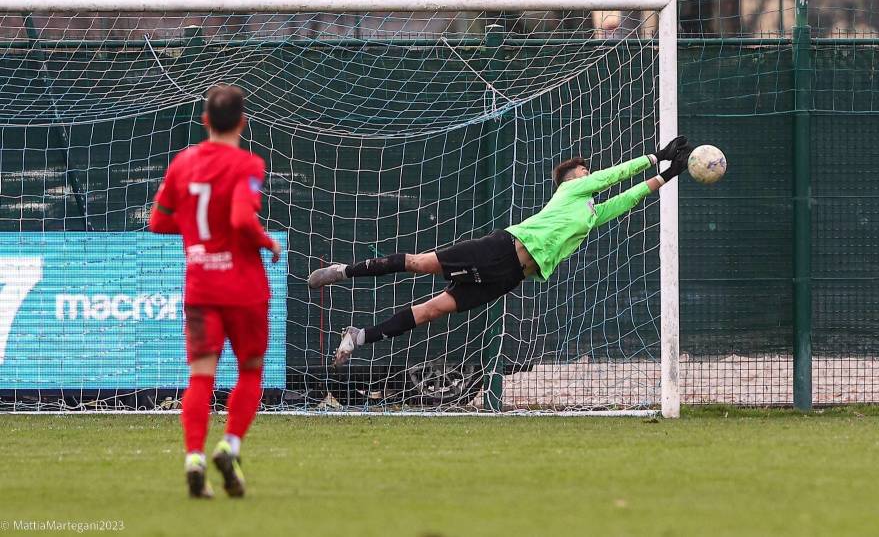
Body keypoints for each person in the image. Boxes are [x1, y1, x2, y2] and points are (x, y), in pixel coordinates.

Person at [308, 136, 693, 368]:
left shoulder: (590, 212)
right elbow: (612, 178)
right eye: (581, 171)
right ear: (569, 178)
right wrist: (654, 157)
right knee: (419, 263)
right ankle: (345, 271)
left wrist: (668, 174)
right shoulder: (569, 191)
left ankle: (357, 337)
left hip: (511, 275)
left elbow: (626, 198)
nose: (586, 174)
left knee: (431, 311)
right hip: (499, 249)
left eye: (586, 171)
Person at [149, 84, 281, 499]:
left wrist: (196, 233)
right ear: (242, 122)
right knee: (250, 371)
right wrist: (267, 241)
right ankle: (230, 445)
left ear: (205, 120)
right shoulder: (248, 164)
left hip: (201, 285)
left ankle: (194, 458)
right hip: (243, 287)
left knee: (200, 375)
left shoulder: (182, 163)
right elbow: (242, 218)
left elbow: (158, 221)